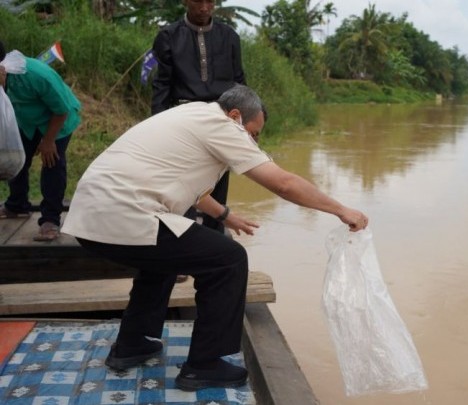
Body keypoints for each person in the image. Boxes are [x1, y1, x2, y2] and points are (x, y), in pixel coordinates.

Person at [61, 85, 368, 391]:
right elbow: (284, 183)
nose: (253, 141)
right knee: (228, 259)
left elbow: (191, 187)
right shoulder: (222, 126)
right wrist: (341, 210)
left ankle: (133, 344)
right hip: (122, 212)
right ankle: (204, 366)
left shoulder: (193, 114)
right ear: (235, 116)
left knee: (165, 256)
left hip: (93, 214)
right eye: (254, 133)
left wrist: (225, 216)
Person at [151, 0, 246, 236]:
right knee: (182, 190)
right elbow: (162, 85)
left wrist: (242, 124)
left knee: (218, 188)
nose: (204, 8)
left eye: (209, 1)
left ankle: (214, 254)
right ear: (185, 1)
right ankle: (183, 252)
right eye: (198, 1)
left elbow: (239, 81)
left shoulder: (229, 36)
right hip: (184, 120)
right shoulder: (167, 36)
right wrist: (157, 127)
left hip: (221, 119)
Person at [0, 40, 82, 241]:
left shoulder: (36, 75)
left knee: (52, 162)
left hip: (58, 120)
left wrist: (48, 141)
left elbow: (61, 110)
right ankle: (16, 205)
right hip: (27, 120)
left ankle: (50, 219)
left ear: (2, 69)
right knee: (16, 158)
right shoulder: (5, 76)